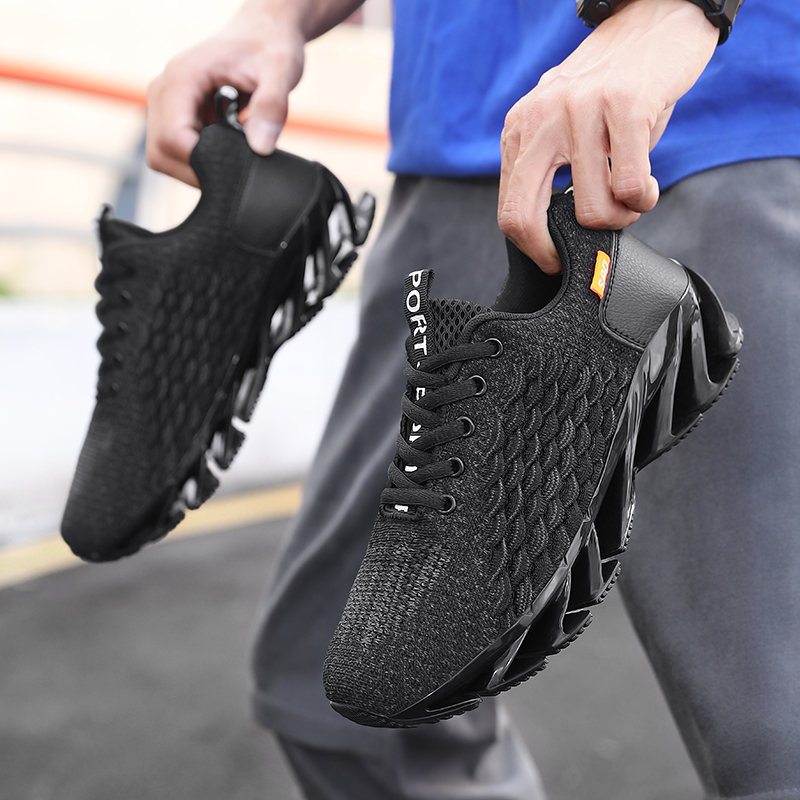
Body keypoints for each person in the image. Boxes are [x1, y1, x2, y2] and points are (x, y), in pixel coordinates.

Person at [146, 1, 800, 797]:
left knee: (778, 745)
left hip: (719, 116)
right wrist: (276, 18)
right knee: (339, 701)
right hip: (458, 140)